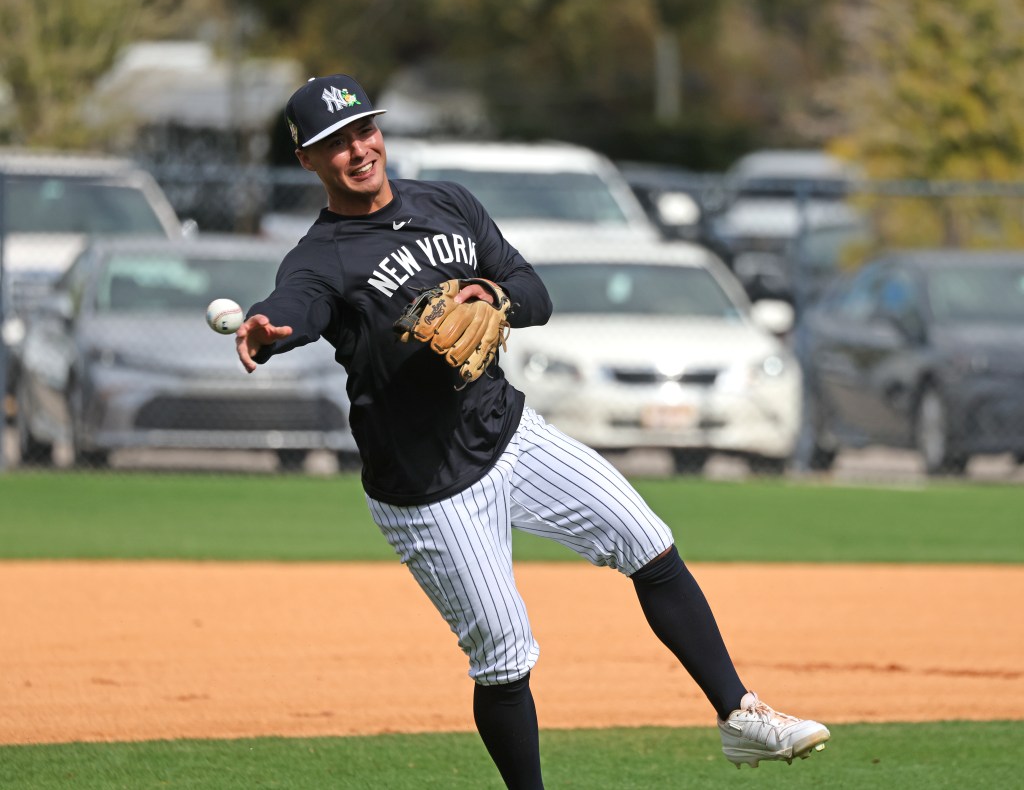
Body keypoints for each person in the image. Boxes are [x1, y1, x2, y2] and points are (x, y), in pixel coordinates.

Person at [236, 74, 830, 788]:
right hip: (428, 488)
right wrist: (270, 330)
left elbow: (534, 292)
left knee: (648, 541)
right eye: (335, 143)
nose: (358, 149)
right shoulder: (320, 257)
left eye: (364, 130)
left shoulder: (447, 203)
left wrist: (492, 294)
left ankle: (741, 718)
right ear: (308, 160)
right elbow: (293, 308)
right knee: (506, 655)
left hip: (508, 431)